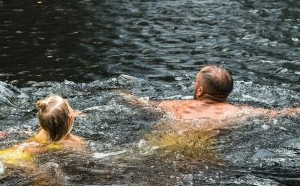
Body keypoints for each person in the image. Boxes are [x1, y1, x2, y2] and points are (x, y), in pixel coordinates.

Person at [120, 65, 300, 121]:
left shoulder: (175, 106)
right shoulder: (237, 112)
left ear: (199, 90)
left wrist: (121, 93)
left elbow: (139, 103)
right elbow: (282, 113)